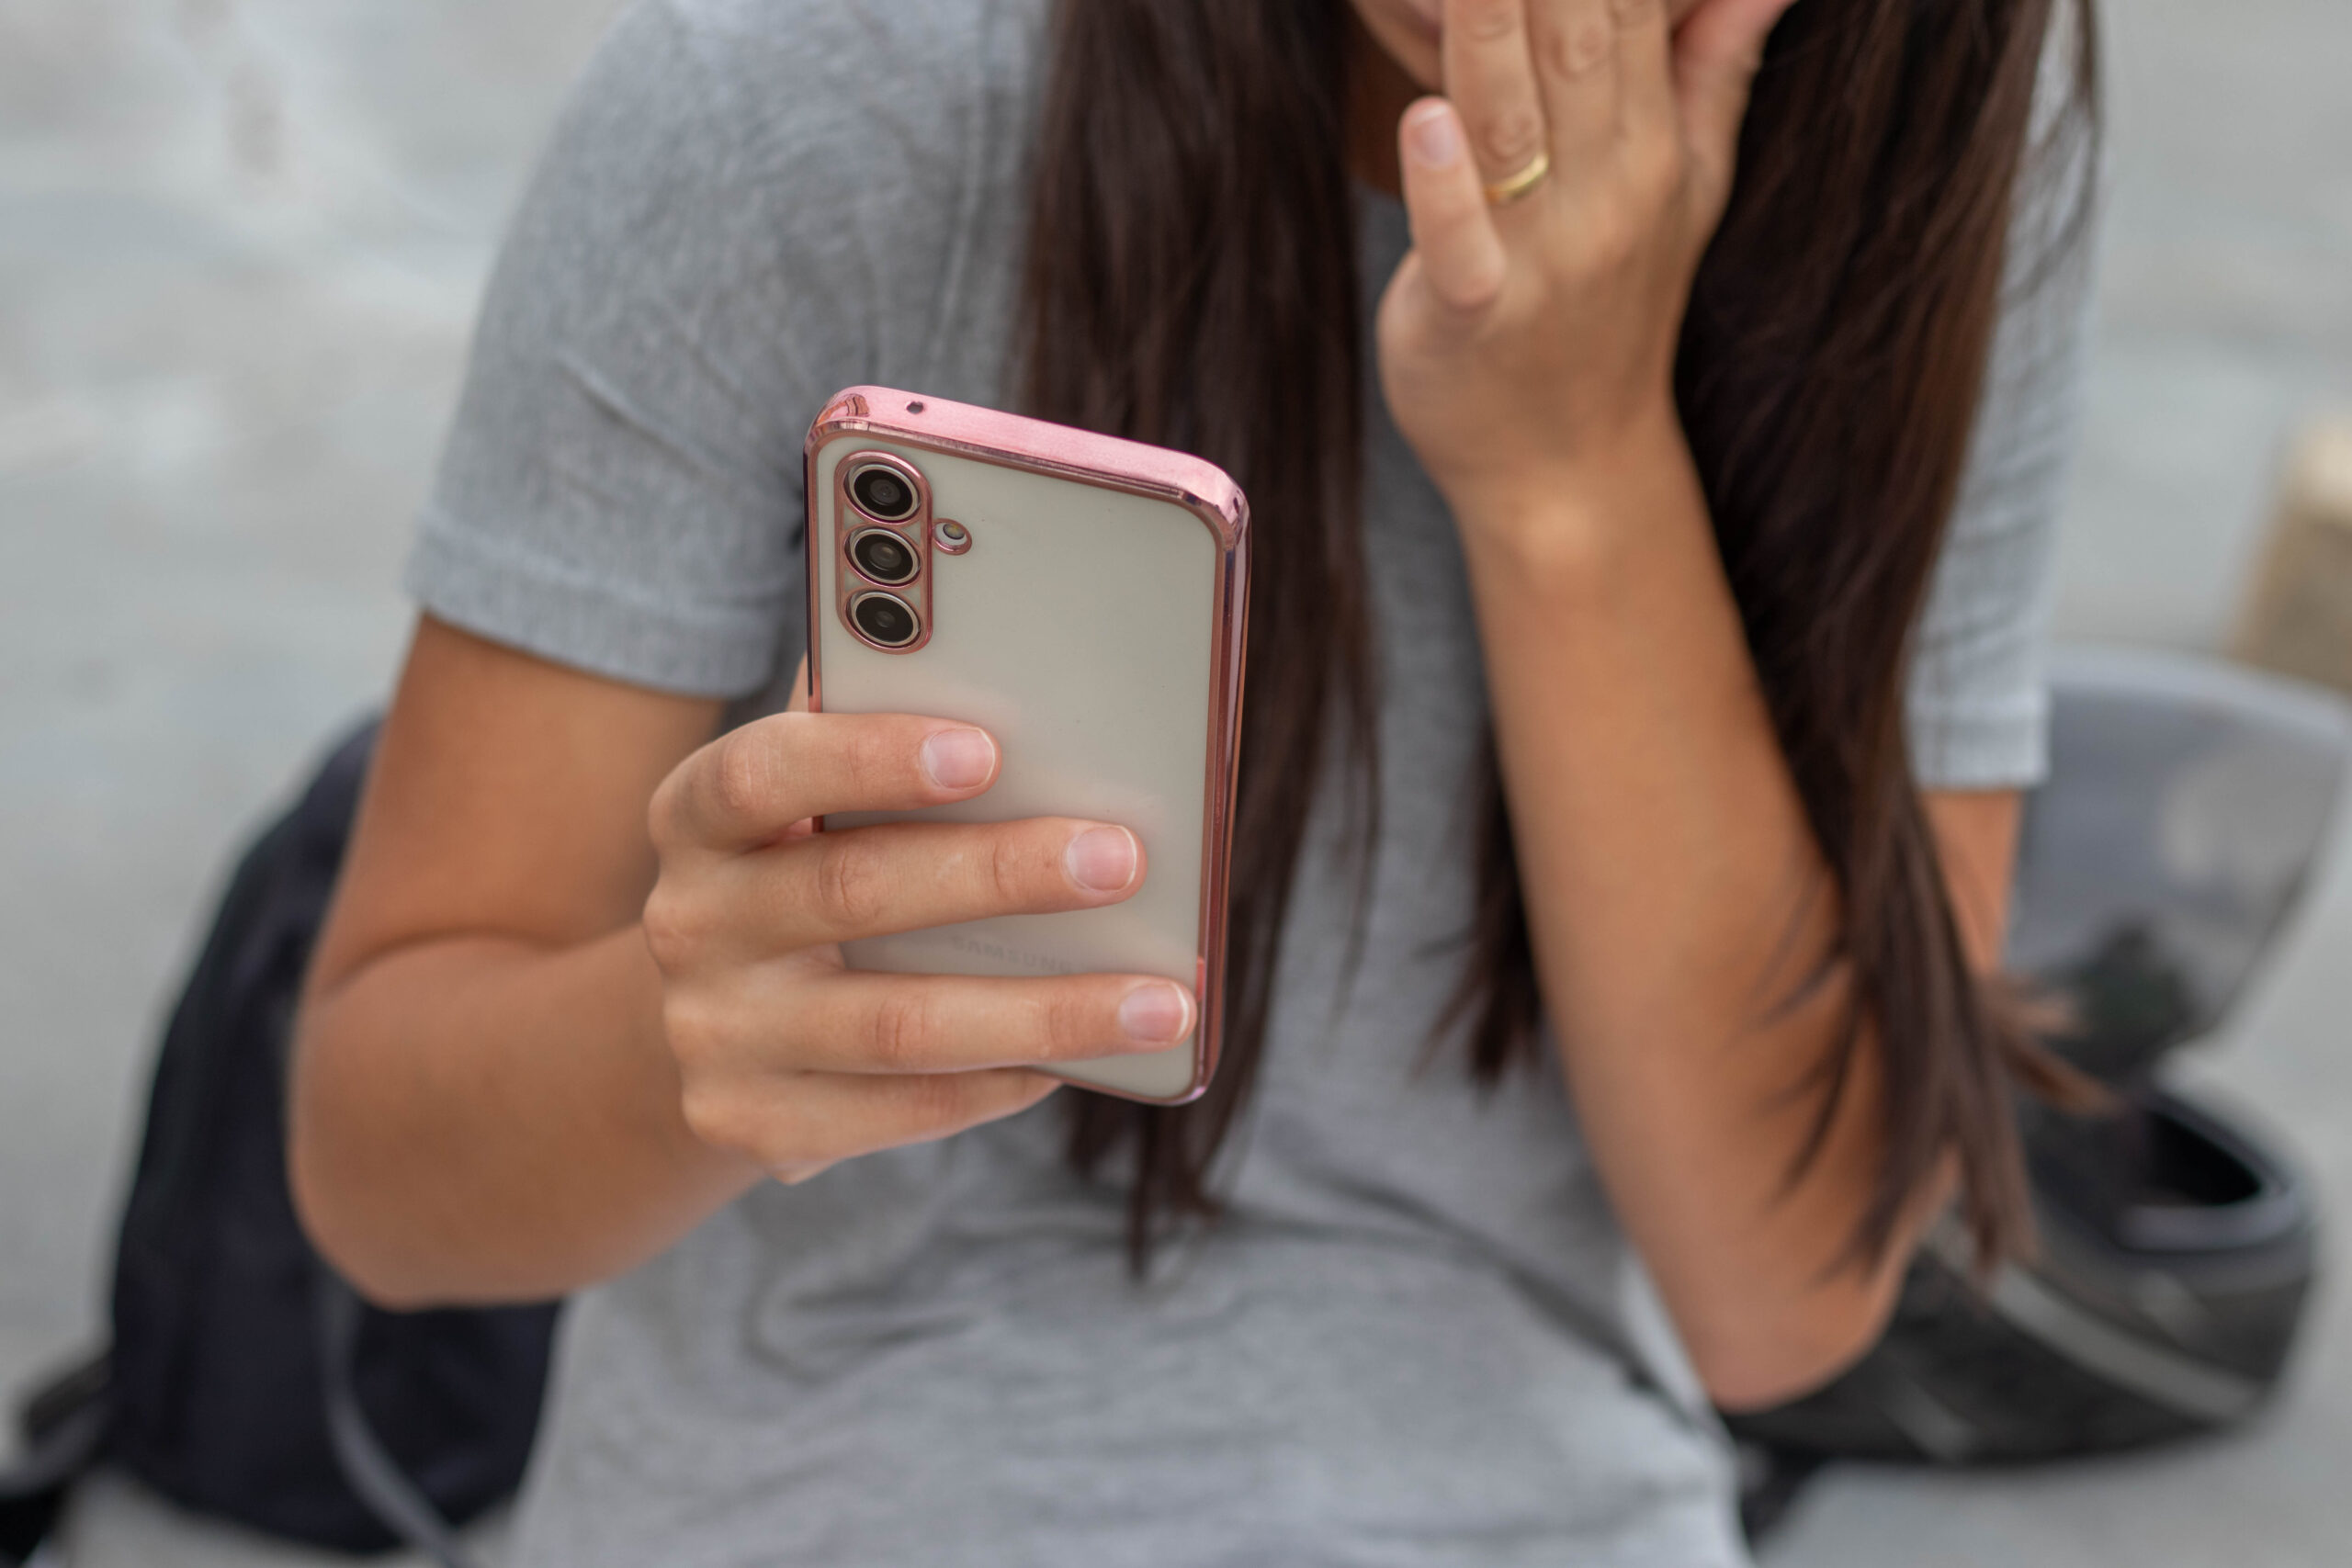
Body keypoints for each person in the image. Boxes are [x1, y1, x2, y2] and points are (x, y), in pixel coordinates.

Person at [288, 0, 2098, 1561]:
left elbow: (1784, 1290)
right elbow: (377, 1169)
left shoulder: (1906, 161)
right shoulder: (807, 100)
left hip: (1528, 1482)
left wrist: (1570, 462)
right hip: (815, 1473)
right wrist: (682, 1032)